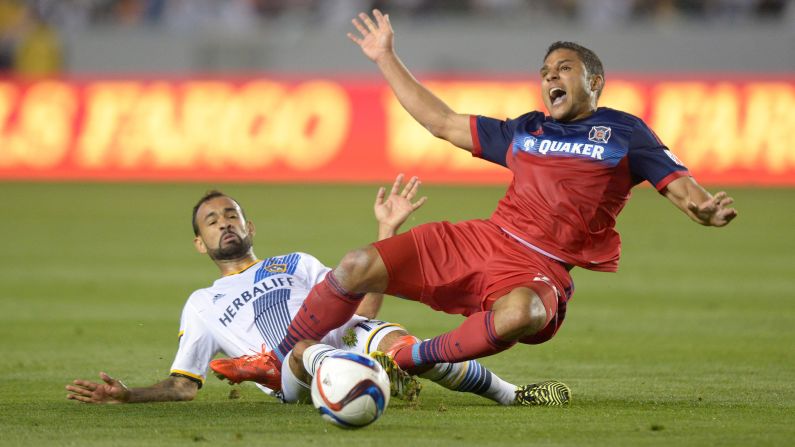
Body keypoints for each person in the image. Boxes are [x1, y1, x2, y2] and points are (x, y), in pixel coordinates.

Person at [247, 10, 737, 386]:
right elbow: (441, 122)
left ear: (594, 82)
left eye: (564, 68)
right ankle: (277, 363)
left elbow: (681, 187)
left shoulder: (626, 132)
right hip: (483, 240)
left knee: (523, 314)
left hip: (539, 266)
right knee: (354, 265)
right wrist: (385, 58)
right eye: (545, 71)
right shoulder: (525, 129)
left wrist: (704, 209)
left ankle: (404, 360)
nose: (550, 77)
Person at [65, 175, 566, 406]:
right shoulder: (202, 304)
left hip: (345, 340)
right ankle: (366, 375)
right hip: (291, 370)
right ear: (200, 243)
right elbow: (183, 385)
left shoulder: (298, 262)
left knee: (396, 343)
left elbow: (360, 304)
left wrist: (385, 230)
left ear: (250, 223)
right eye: (212, 221)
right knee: (305, 346)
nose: (225, 224)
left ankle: (513, 396)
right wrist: (128, 396)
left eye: (231, 214)